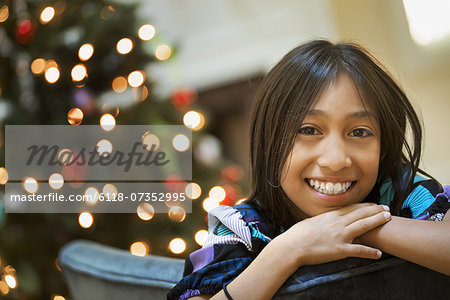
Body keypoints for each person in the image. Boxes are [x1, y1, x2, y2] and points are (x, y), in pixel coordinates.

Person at [167, 40, 450, 300]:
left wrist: (357, 227)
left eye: (360, 132)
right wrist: (289, 249)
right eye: (309, 130)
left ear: (383, 147)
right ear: (271, 144)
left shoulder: (403, 192)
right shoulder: (242, 227)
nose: (336, 160)